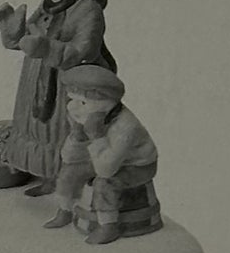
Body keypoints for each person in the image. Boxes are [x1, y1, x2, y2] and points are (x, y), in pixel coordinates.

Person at [0, 0, 114, 194]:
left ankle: (71, 179)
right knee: (39, 129)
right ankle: (47, 175)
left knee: (66, 133)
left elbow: (84, 51)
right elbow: (30, 38)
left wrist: (46, 48)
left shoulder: (88, 10)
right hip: (36, 84)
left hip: (68, 88)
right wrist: (14, 32)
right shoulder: (47, 6)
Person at [44, 65, 162, 243]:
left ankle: (108, 225)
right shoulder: (90, 117)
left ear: (106, 103)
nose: (73, 107)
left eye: (83, 103)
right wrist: (77, 135)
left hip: (137, 165)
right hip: (105, 158)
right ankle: (65, 210)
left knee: (105, 183)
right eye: (71, 99)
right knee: (70, 171)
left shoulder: (125, 127)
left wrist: (97, 136)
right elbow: (68, 157)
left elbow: (105, 170)